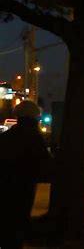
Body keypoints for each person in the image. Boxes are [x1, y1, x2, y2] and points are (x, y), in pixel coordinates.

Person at [0, 100, 51, 248]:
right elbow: (43, 165)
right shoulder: (36, 139)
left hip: (4, 184)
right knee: (19, 219)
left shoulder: (7, 137)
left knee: (5, 218)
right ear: (35, 117)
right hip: (25, 186)